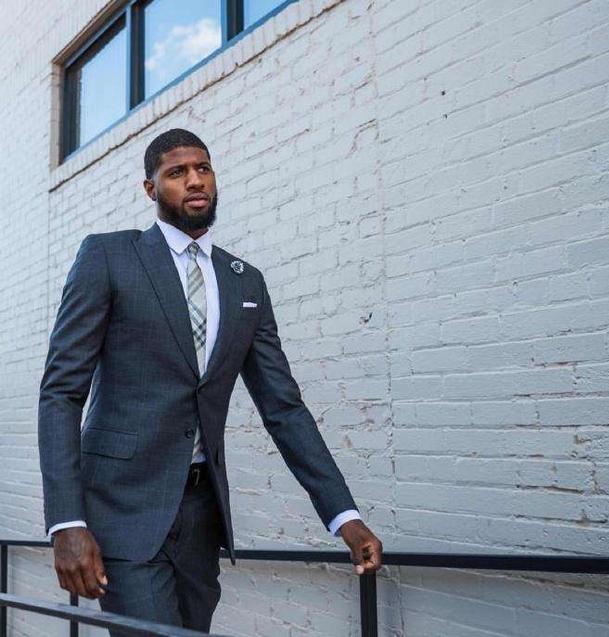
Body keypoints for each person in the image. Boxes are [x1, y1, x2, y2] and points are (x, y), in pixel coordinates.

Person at [38, 128, 383, 634]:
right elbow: (62, 393)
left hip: (202, 515)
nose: (194, 180)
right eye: (176, 172)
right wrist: (67, 521)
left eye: (203, 168)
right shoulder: (109, 257)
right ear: (151, 189)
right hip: (124, 509)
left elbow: (284, 408)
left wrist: (343, 516)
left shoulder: (245, 281)